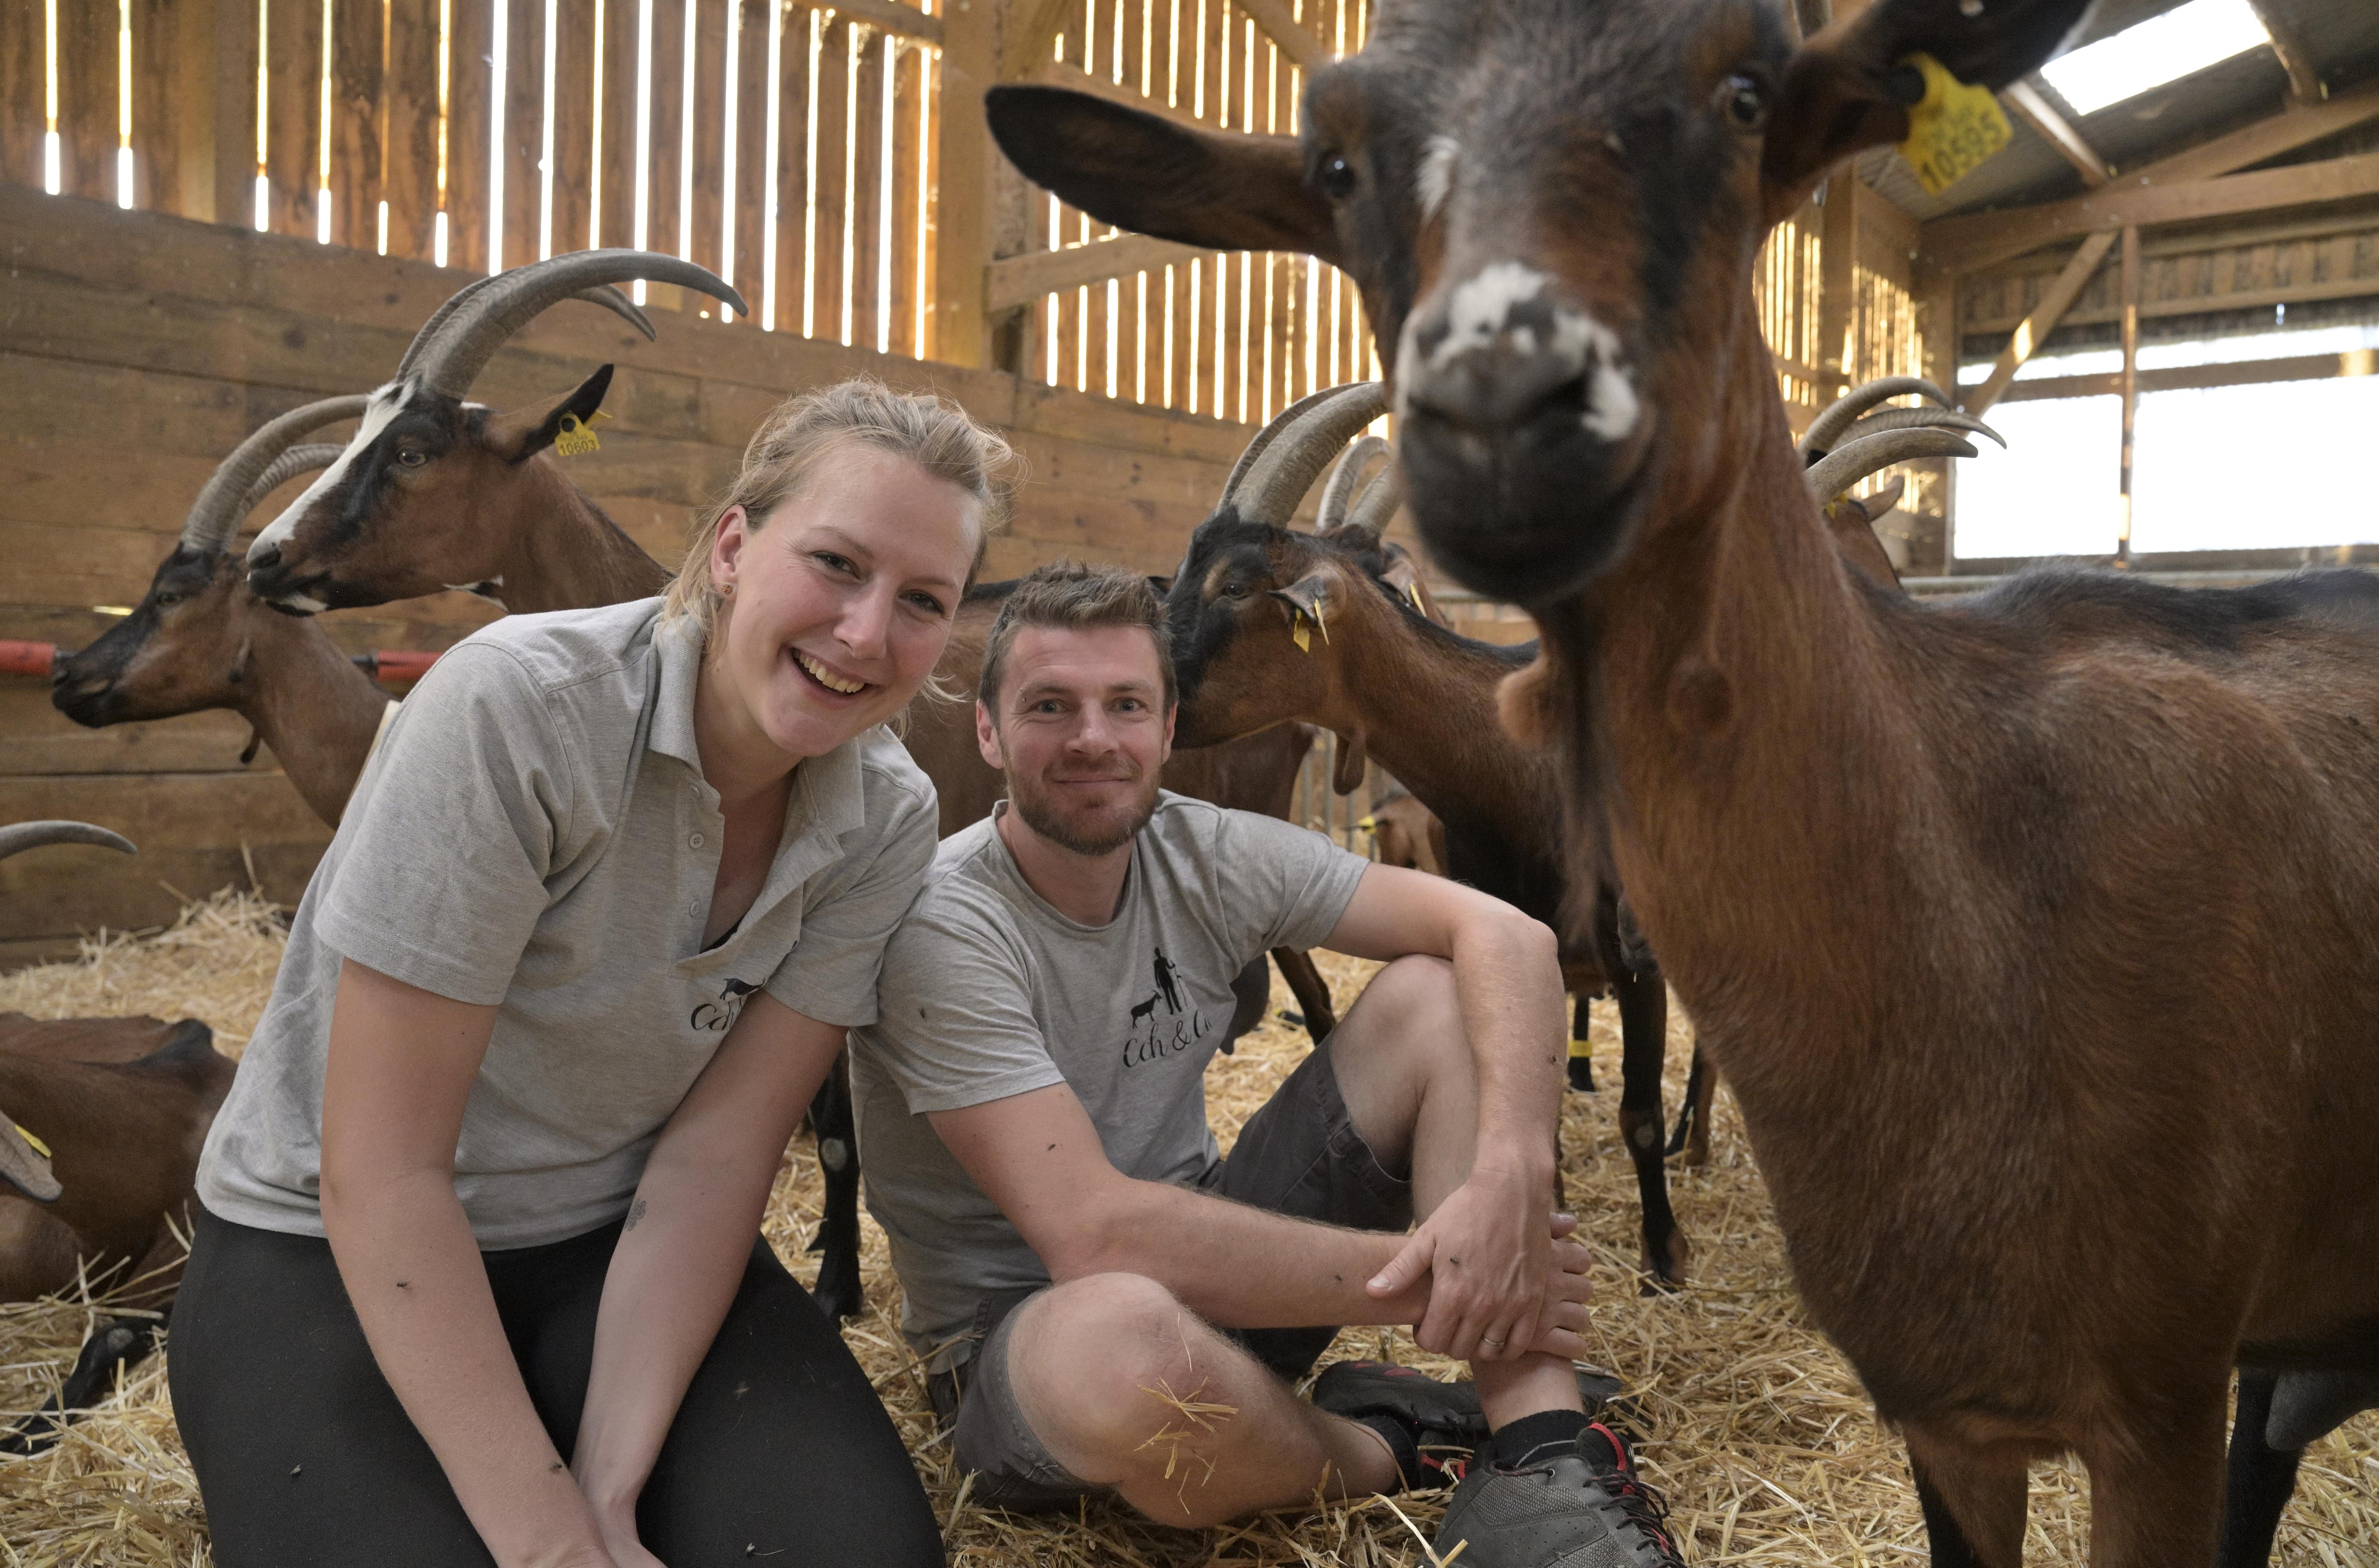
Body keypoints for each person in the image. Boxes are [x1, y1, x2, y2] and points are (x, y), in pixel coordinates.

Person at [170, 380, 1015, 1568]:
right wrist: (548, 1539)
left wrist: (612, 1496)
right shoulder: (520, 710)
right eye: (835, 564)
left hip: (609, 1244)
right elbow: (385, 1170)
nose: (868, 634)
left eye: (922, 601)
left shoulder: (885, 816)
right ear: (731, 546)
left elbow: (717, 1158)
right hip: (328, 1249)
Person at [850, 563, 1686, 1568]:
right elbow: (1093, 1232)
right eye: (1049, 706)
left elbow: (1508, 933)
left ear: (1168, 731)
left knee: (1436, 988)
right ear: (988, 733)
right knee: (1128, 1345)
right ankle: (1384, 1446)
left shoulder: (1202, 851)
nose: (1092, 738)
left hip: (1226, 1269)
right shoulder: (947, 924)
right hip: (1030, 1349)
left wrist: (1511, 1174)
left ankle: (1544, 1451)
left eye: (1126, 704)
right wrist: (1445, 1284)